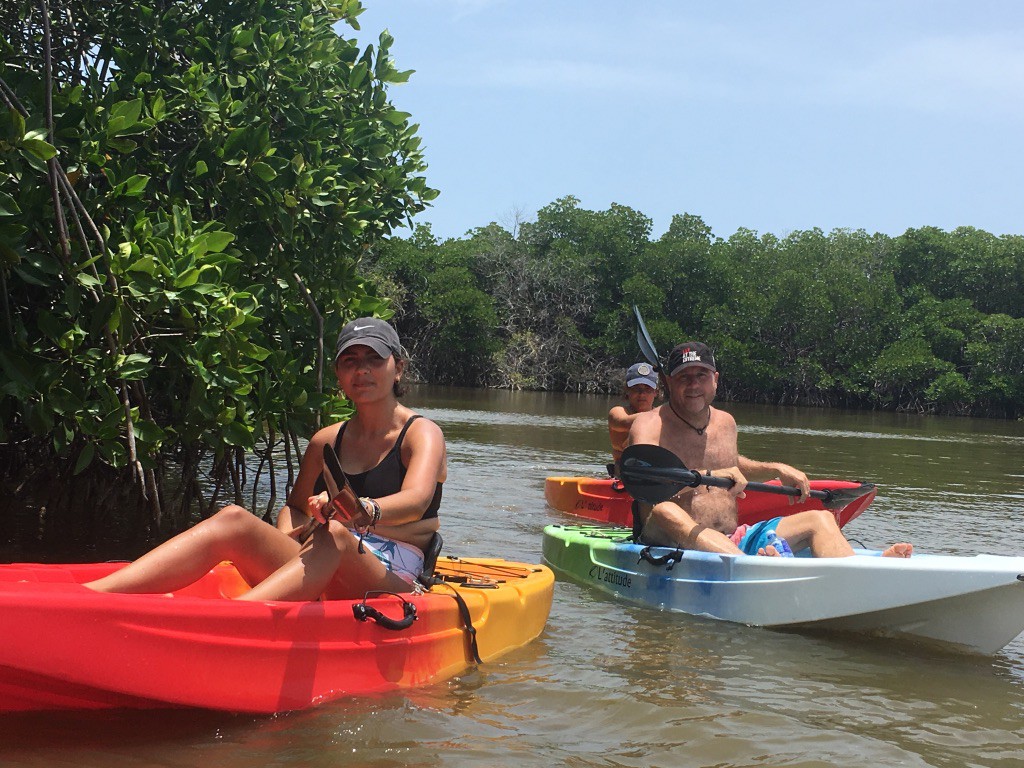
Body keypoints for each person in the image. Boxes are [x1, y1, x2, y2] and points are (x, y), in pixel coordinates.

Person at [85, 317, 447, 601]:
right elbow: (294, 507)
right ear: (338, 374)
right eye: (349, 361)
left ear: (397, 368)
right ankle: (92, 596)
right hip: (324, 552)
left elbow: (416, 502)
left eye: (374, 359)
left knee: (335, 532)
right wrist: (291, 535)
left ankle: (234, 622)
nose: (362, 370)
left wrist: (357, 511)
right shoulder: (327, 441)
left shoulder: (420, 433)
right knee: (233, 519)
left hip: (391, 575)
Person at [626, 340, 912, 558]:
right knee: (666, 510)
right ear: (668, 383)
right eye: (684, 377)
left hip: (730, 539)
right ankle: (752, 569)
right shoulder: (648, 425)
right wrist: (713, 473)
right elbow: (646, 485)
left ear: (716, 379)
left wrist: (776, 469)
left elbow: (731, 463)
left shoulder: (726, 422)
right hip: (664, 538)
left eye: (701, 375)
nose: (693, 385)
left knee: (820, 518)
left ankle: (856, 575)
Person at [607, 362, 659, 476]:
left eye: (647, 389)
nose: (641, 394)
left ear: (656, 392)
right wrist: (667, 414)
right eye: (636, 389)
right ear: (627, 390)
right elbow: (622, 422)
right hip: (623, 478)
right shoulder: (618, 412)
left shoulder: (664, 416)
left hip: (656, 479)